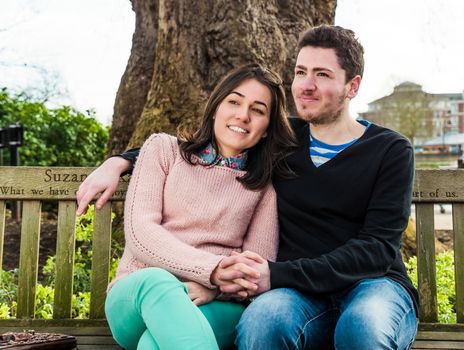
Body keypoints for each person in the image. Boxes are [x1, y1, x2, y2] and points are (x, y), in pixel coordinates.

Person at [77, 25, 419, 349]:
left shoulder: (389, 150)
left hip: (370, 284)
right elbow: (195, 148)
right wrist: (120, 161)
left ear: (353, 86)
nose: (306, 85)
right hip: (296, 293)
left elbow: (376, 247)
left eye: (323, 75)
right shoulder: (285, 142)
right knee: (262, 321)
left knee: (363, 325)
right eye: (301, 72)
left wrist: (260, 276)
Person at [99, 64, 296, 350]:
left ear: (266, 129)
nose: (243, 115)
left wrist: (213, 289)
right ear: (216, 107)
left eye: (258, 109)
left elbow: (253, 271)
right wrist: (212, 271)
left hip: (214, 303)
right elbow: (141, 233)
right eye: (234, 101)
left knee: (152, 345)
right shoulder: (163, 151)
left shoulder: (261, 188)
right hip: (136, 298)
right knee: (156, 281)